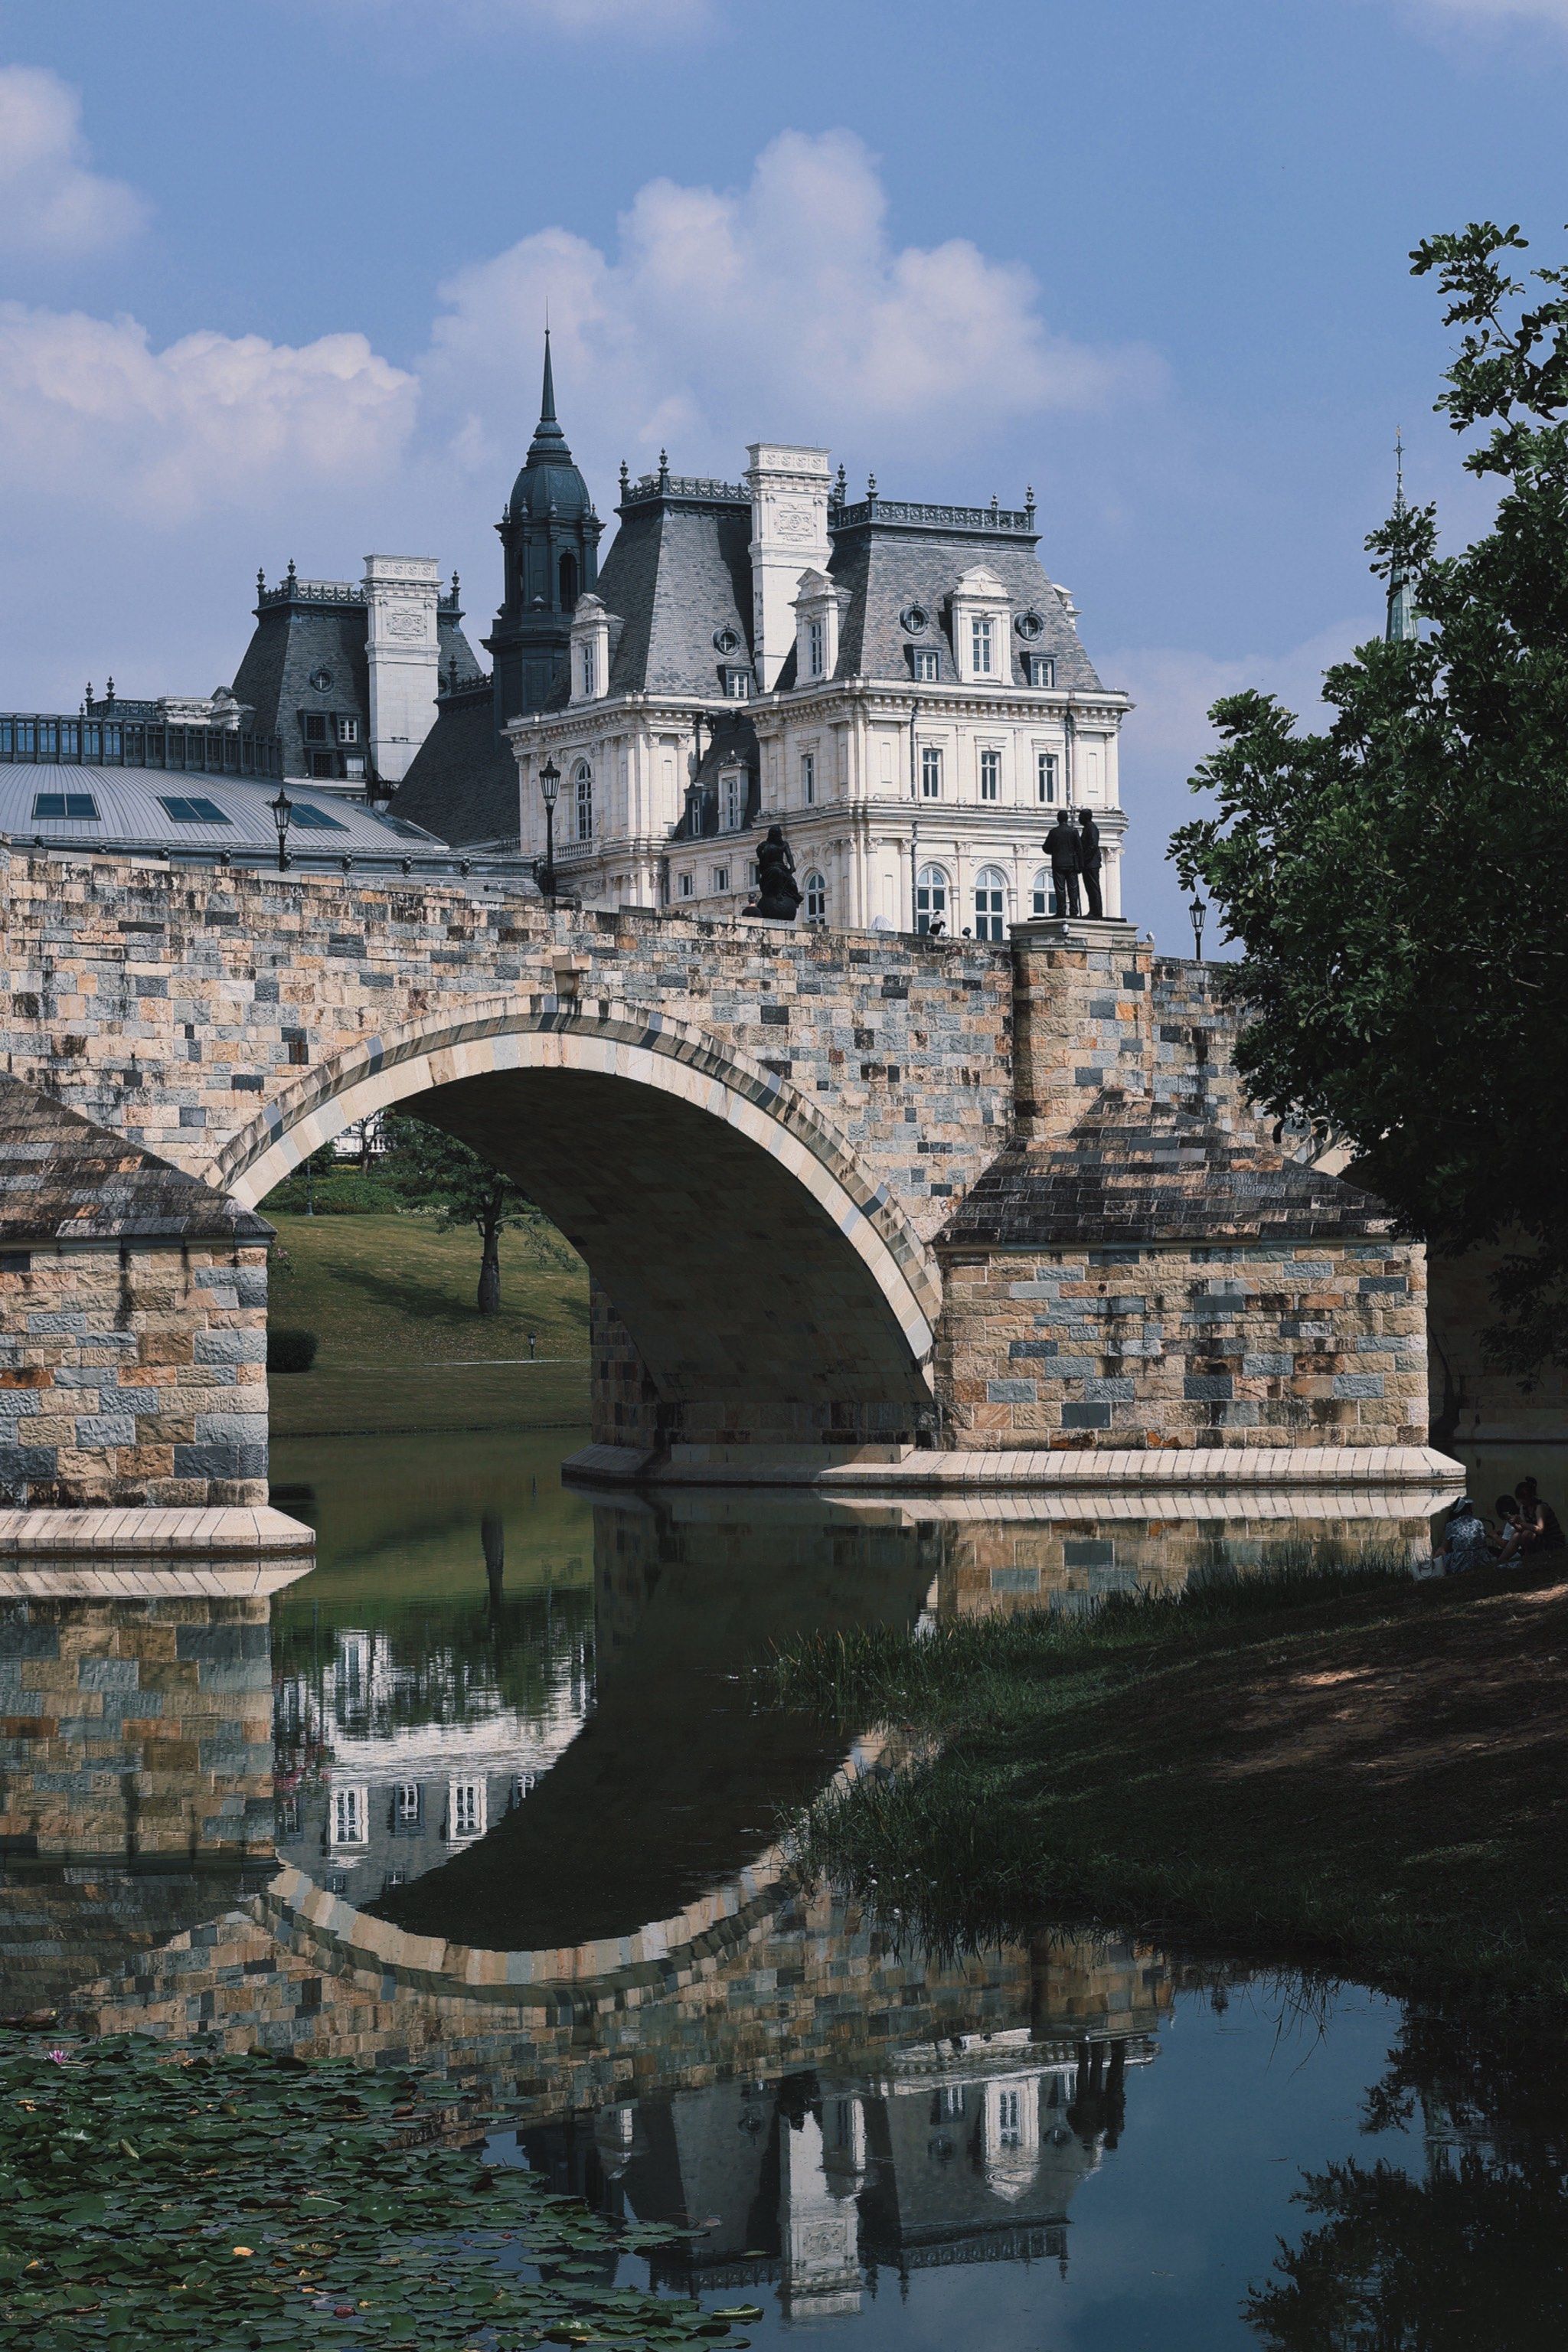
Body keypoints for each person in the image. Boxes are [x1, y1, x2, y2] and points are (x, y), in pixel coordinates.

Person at [1431, 1496, 1491, 1574]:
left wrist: (1435, 1559)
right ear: (1468, 1510)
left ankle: (1432, 1571)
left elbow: (1444, 1548)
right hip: (1482, 1560)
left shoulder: (1452, 1525)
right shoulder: (1478, 1522)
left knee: (1442, 1551)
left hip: (1461, 1563)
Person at [1043, 812, 1081, 916]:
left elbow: (1046, 848)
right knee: (1073, 888)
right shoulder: (1073, 831)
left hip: (1058, 863)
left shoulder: (1053, 832)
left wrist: (1054, 851)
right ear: (1067, 819)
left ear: (1058, 819)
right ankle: (1074, 910)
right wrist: (1080, 864)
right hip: (1071, 864)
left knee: (1060, 889)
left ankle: (1061, 910)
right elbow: (1079, 848)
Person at [1515, 1475, 1565, 1555]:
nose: (1522, 1502)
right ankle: (1501, 1560)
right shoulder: (1523, 1508)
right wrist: (1515, 1523)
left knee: (1526, 1534)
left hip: (1551, 1541)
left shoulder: (1540, 1507)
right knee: (1517, 1536)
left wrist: (1521, 1523)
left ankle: (1528, 1557)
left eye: (1524, 1499)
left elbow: (1540, 1530)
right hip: (1539, 1539)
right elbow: (1524, 1527)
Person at [1077, 807, 1104, 919]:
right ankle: (1093, 910)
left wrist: (1084, 859)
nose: (1079, 819)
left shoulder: (1091, 828)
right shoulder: (1088, 828)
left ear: (1085, 817)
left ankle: (1096, 911)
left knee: (1093, 887)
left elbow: (1093, 846)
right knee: (1090, 887)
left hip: (1091, 863)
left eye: (1080, 816)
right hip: (1089, 863)